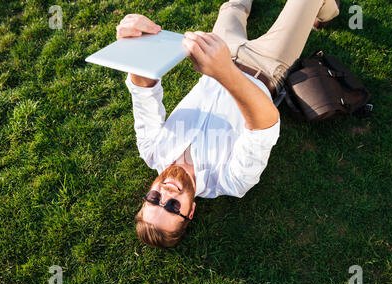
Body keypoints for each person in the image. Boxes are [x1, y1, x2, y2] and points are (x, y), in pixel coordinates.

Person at [115, 0, 340, 248]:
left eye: (154, 199)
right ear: (190, 212)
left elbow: (143, 90)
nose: (165, 194)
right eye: (172, 207)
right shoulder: (231, 181)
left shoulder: (151, 151)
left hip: (219, 51)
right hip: (266, 65)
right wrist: (222, 71)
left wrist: (135, 49)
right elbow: (264, 125)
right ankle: (328, 11)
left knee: (233, 7)